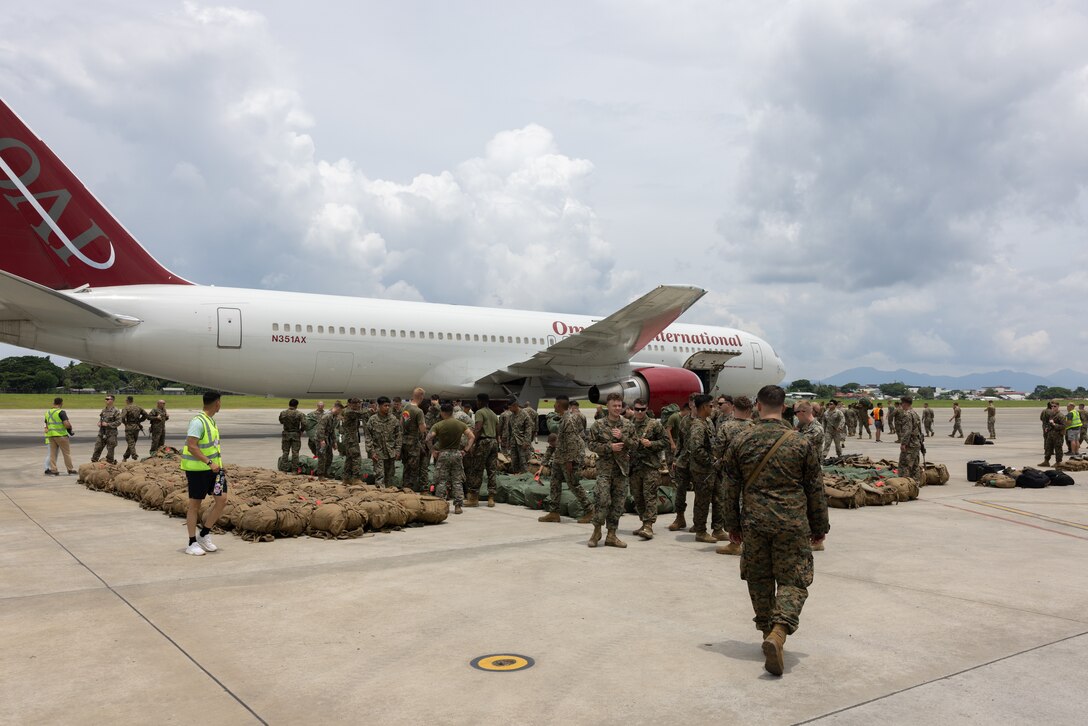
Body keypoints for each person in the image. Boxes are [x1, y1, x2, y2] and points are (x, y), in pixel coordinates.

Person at [721, 385, 829, 677]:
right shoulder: (799, 443)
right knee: (794, 581)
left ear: (757, 405)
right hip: (791, 523)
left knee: (759, 579)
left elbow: (729, 488)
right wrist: (820, 527)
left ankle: (768, 631)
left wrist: (732, 525)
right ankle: (779, 632)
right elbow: (815, 489)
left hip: (754, 523)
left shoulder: (740, 440)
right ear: (784, 408)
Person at [586, 393, 637, 548]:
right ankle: (596, 532)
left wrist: (623, 438)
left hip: (621, 471)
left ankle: (612, 535)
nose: (617, 408)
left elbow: (635, 445)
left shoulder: (628, 425)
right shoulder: (599, 425)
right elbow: (590, 444)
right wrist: (609, 447)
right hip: (605, 471)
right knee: (602, 499)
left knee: (618, 504)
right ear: (608, 406)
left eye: (619, 405)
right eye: (614, 405)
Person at [180, 392, 228, 556]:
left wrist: (217, 466)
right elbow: (192, 446)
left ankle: (204, 534)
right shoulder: (198, 421)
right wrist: (209, 462)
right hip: (199, 470)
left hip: (215, 470)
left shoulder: (211, 421)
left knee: (222, 499)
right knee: (195, 505)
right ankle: (191, 542)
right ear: (217, 403)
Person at [537, 395, 594, 524]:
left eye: (555, 404)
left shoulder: (568, 420)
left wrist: (570, 461)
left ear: (558, 405)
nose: (553, 406)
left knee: (573, 484)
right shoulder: (563, 418)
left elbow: (572, 441)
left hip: (568, 458)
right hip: (560, 457)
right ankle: (554, 512)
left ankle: (590, 510)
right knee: (554, 482)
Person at [712, 395, 754, 554]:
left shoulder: (726, 427)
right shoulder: (754, 426)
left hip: (730, 473)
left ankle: (735, 543)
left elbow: (717, 450)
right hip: (751, 472)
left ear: (734, 408)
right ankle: (749, 541)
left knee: (731, 506)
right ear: (749, 410)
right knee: (748, 506)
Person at [627, 398, 667, 539]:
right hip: (634, 467)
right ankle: (644, 522)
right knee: (637, 497)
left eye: (642, 409)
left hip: (650, 466)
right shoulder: (629, 424)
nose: (639, 412)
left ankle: (649, 525)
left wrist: (651, 444)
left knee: (649, 496)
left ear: (646, 409)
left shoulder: (654, 425)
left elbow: (665, 441)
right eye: (637, 409)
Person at [426, 403, 475, 515]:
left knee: (441, 481)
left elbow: (428, 439)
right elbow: (472, 437)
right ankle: (458, 506)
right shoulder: (461, 424)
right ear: (452, 412)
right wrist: (465, 450)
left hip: (443, 454)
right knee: (457, 481)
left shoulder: (438, 425)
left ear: (442, 412)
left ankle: (441, 505)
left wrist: (433, 451)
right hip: (457, 454)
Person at [686, 394, 719, 544]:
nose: (713, 408)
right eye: (711, 406)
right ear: (704, 407)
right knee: (702, 501)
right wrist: (711, 461)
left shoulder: (708, 422)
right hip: (702, 470)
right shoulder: (698, 425)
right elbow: (696, 449)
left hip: (711, 470)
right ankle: (700, 530)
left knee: (717, 499)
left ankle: (717, 528)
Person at [666, 394, 696, 532]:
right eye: (691, 403)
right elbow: (681, 441)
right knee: (680, 490)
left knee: (701, 494)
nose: (693, 405)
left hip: (699, 463)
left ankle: (699, 523)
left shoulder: (707, 420)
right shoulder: (684, 420)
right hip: (684, 461)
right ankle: (680, 518)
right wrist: (676, 458)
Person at [466, 393, 500, 507]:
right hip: (493, 442)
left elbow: (478, 428)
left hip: (484, 442)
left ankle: (474, 498)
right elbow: (497, 431)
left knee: (477, 469)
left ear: (480, 401)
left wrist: (471, 444)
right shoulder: (494, 414)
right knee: (492, 470)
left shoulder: (480, 412)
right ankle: (491, 498)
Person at [366, 396, 402, 487]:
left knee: (390, 476)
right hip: (378, 453)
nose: (387, 408)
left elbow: (398, 435)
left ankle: (389, 495)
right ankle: (380, 496)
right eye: (385, 406)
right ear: (379, 406)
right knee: (379, 476)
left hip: (390, 452)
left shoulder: (393, 419)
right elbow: (368, 437)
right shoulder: (373, 420)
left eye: (388, 406)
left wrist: (398, 450)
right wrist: (371, 452)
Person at [401, 387, 428, 490]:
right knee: (414, 468)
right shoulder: (418, 411)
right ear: (421, 397)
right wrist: (425, 427)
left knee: (406, 466)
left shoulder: (406, 407)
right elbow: (422, 429)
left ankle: (405, 486)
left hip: (405, 441)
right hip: (414, 443)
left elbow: (402, 423)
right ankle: (411, 489)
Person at [44, 396, 76, 475]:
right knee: (66, 454)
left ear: (54, 403)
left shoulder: (47, 412)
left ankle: (54, 470)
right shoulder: (61, 412)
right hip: (61, 436)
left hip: (51, 436)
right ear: (61, 403)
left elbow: (46, 425)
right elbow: (66, 424)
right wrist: (70, 428)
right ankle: (70, 469)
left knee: (52, 454)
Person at [898, 397, 924, 484]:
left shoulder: (907, 414)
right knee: (915, 465)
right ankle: (915, 483)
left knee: (905, 465)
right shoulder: (915, 413)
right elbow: (919, 430)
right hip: (916, 443)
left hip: (910, 444)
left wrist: (903, 443)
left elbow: (907, 430)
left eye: (902, 403)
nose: (901, 405)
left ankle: (904, 484)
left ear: (905, 403)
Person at [339, 398, 365, 483]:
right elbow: (362, 414)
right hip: (351, 439)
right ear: (353, 404)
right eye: (357, 404)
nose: (358, 406)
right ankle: (356, 478)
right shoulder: (350, 412)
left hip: (349, 438)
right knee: (356, 457)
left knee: (349, 458)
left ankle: (346, 478)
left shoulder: (347, 411)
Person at [91, 394, 122, 464]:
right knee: (97, 447)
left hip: (111, 434)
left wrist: (108, 424)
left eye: (108, 399)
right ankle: (94, 461)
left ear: (112, 401)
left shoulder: (116, 410)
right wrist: (99, 423)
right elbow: (101, 419)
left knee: (110, 449)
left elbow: (119, 422)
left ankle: (110, 463)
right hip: (102, 432)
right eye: (105, 399)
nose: (106, 400)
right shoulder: (104, 410)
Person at [507, 399, 536, 474]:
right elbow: (510, 430)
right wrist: (508, 442)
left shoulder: (525, 415)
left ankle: (525, 478)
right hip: (513, 442)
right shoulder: (511, 416)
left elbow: (528, 429)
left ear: (515, 405)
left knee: (524, 462)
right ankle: (516, 477)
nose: (509, 409)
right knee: (514, 461)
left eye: (510, 407)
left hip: (522, 443)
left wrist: (526, 442)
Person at [314, 401, 342, 479]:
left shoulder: (334, 417)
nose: (340, 412)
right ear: (337, 408)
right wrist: (322, 440)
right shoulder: (326, 416)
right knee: (322, 457)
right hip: (321, 438)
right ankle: (320, 475)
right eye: (340, 410)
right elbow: (320, 429)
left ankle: (326, 472)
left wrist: (334, 442)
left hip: (328, 439)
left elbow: (332, 430)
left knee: (329, 457)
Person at [278, 398, 305, 471]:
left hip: (286, 434)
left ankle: (284, 469)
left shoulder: (283, 413)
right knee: (295, 452)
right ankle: (294, 470)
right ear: (296, 405)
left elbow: (281, 421)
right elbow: (304, 423)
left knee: (285, 452)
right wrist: (301, 430)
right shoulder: (299, 414)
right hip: (295, 434)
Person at [120, 395, 148, 462]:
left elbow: (122, 417)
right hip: (136, 427)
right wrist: (139, 421)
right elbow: (146, 415)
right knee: (132, 443)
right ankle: (125, 457)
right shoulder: (138, 407)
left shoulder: (126, 408)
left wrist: (125, 423)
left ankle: (134, 454)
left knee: (130, 442)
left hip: (129, 426)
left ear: (127, 401)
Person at [1039, 401, 1066, 467]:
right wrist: (1047, 428)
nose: (1053, 408)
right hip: (1050, 434)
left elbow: (1063, 426)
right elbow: (1048, 423)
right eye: (1052, 406)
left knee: (1058, 449)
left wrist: (1054, 424)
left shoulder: (1061, 415)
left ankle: (1058, 462)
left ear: (1058, 407)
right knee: (1048, 448)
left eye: (1055, 406)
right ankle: (1046, 461)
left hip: (1058, 435)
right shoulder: (1051, 415)